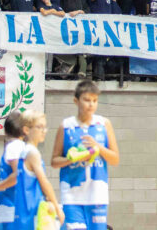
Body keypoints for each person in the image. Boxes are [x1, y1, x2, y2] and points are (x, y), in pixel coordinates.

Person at [51, 80, 120, 230]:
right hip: (72, 194)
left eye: (95, 100)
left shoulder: (104, 124)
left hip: (97, 194)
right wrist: (71, 159)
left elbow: (115, 159)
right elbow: (54, 161)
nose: (91, 104)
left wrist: (98, 147)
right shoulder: (66, 126)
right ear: (76, 101)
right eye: (87, 100)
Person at [13, 110, 64, 229]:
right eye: (40, 127)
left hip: (21, 210)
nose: (44, 131)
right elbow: (44, 183)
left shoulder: (21, 151)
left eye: (45, 127)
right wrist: (57, 207)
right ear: (26, 130)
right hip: (31, 211)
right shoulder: (32, 153)